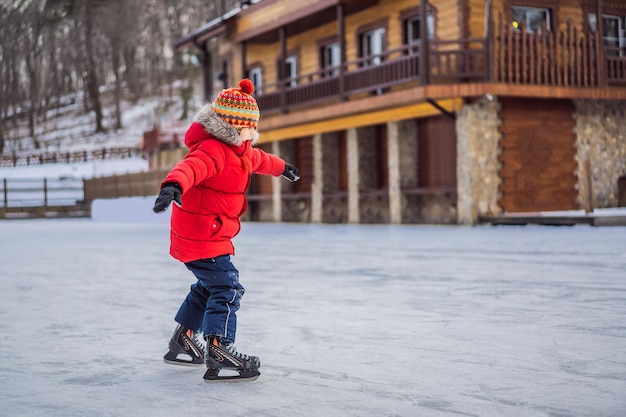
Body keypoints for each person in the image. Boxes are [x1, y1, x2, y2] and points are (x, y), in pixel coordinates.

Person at [153, 79, 300, 382]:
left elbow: (260, 160)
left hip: (206, 233)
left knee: (209, 287)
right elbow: (190, 167)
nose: (253, 132)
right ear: (233, 126)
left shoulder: (241, 151)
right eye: (250, 127)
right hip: (202, 235)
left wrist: (282, 167)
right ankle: (219, 349)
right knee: (227, 287)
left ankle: (182, 340)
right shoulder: (213, 150)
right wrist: (172, 185)